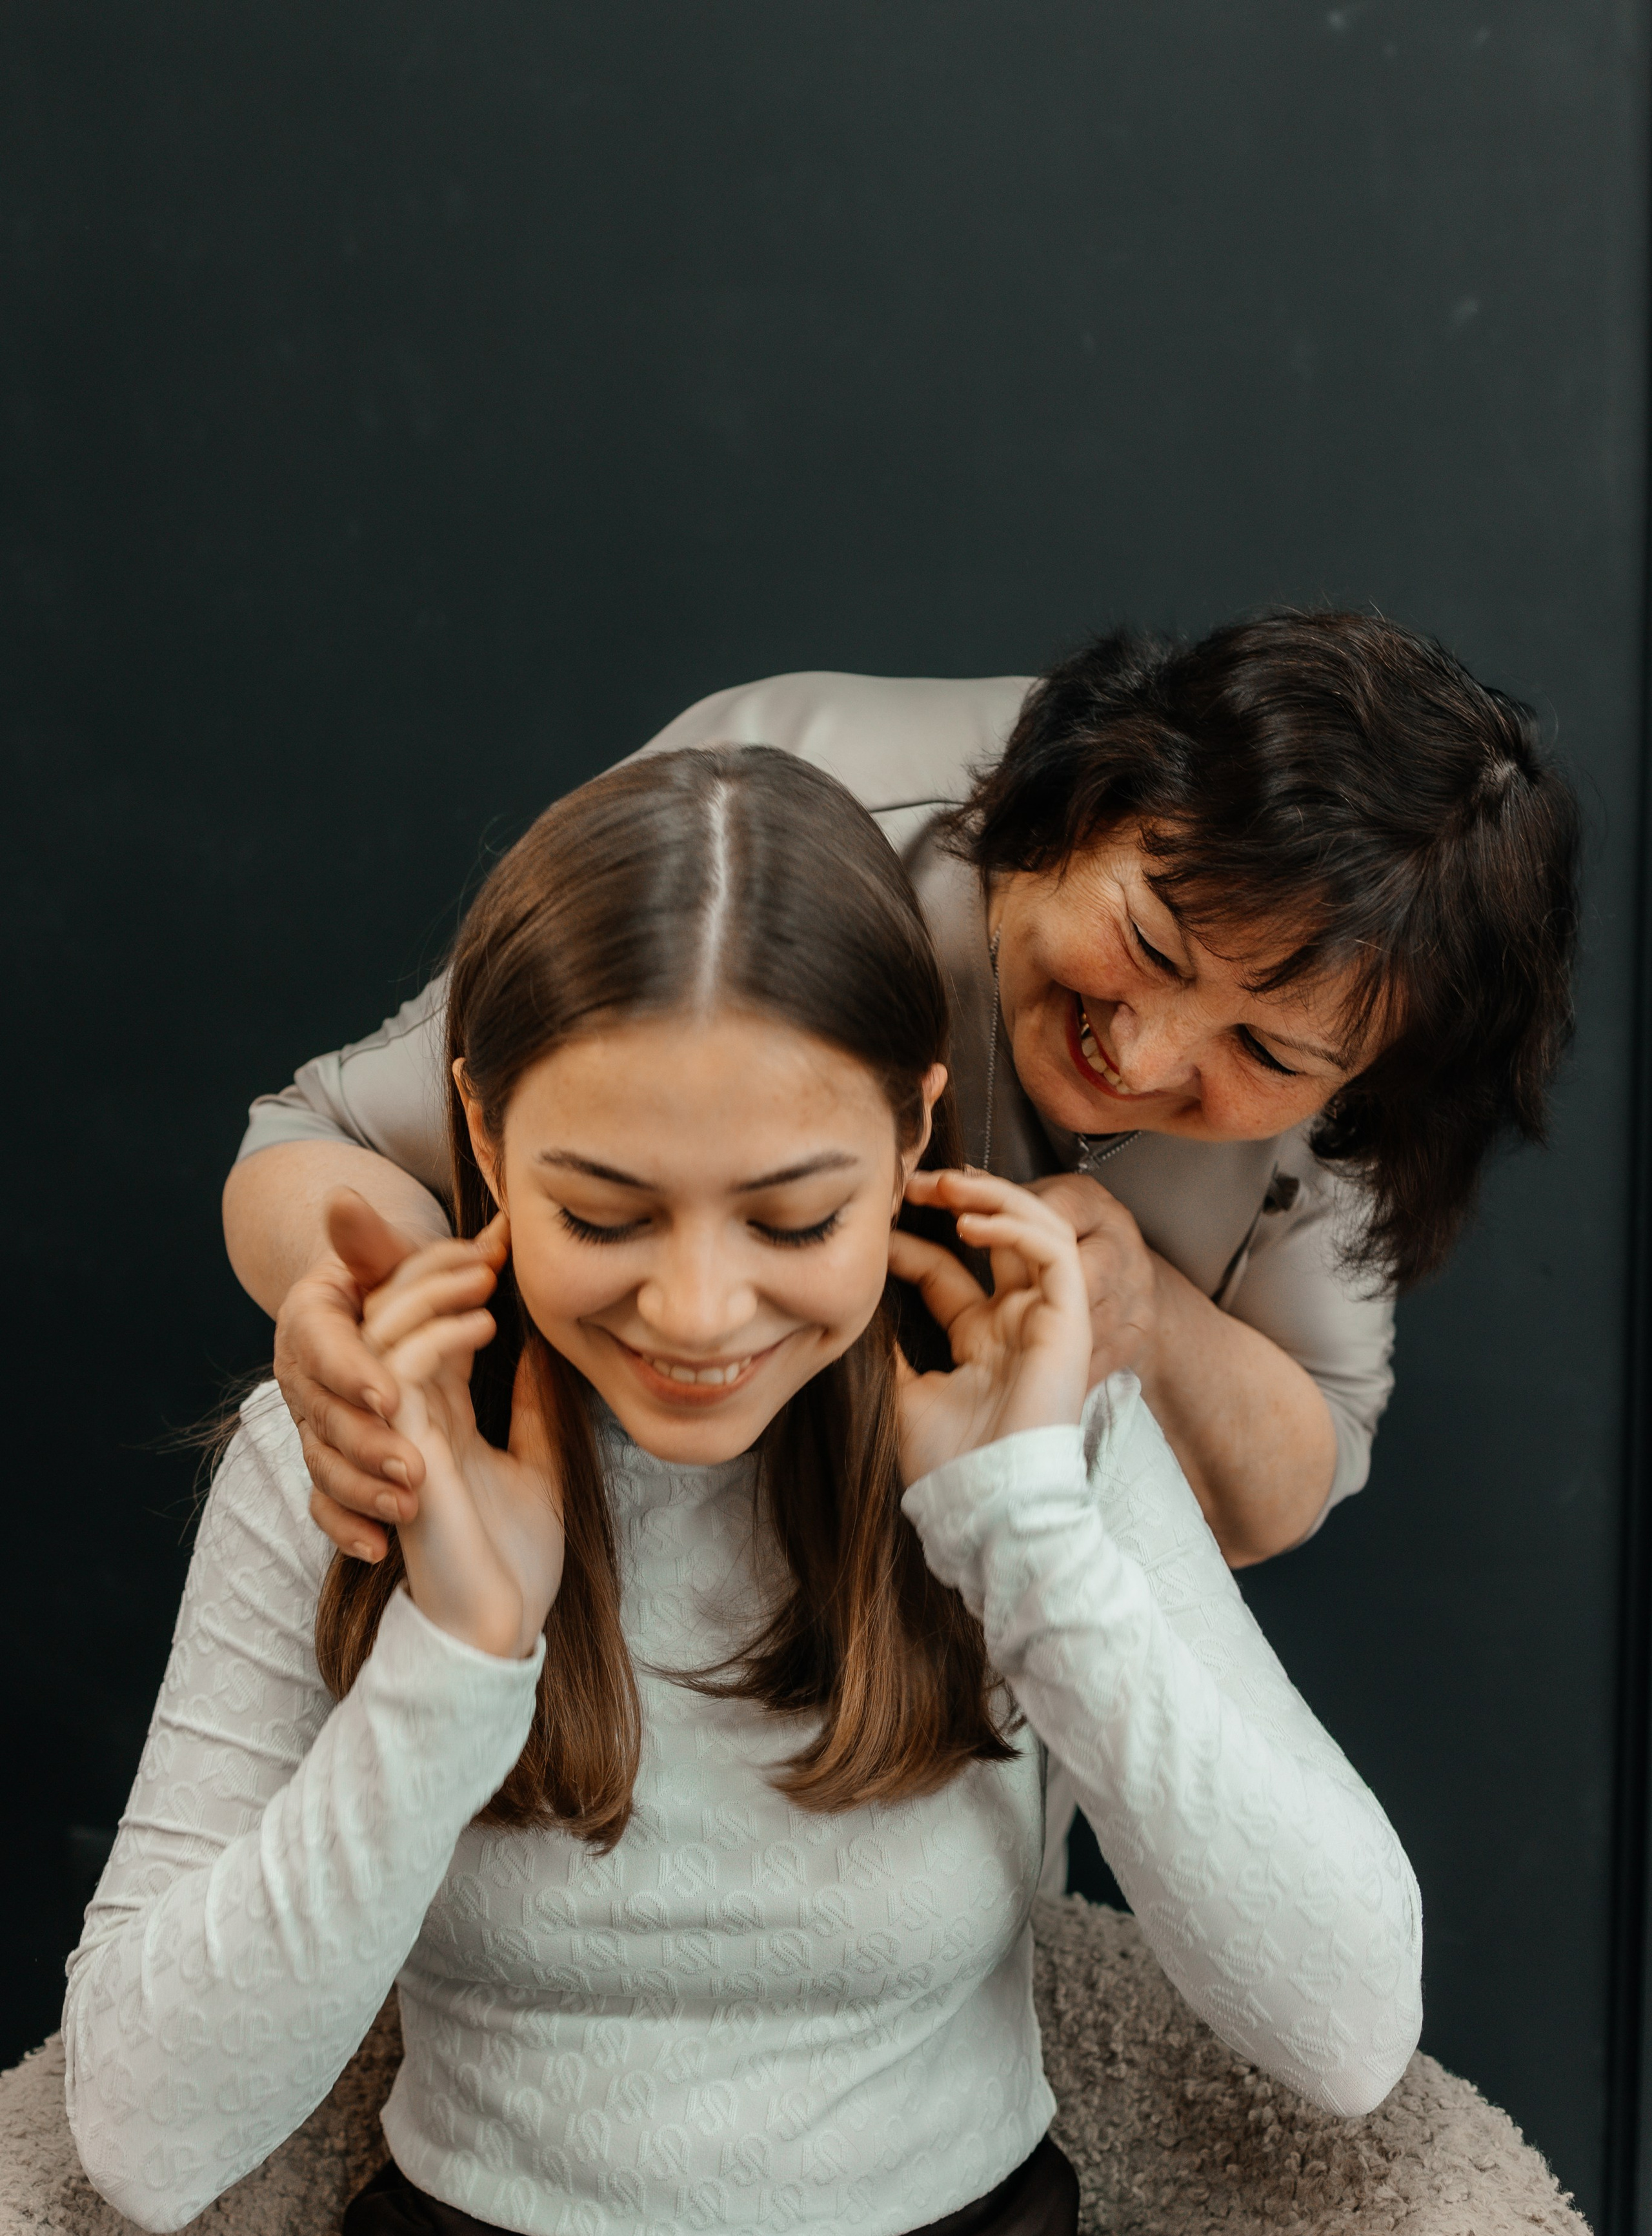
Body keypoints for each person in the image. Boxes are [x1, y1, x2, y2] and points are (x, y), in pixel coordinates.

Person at [66, 747, 1422, 2236]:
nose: (698, 1310)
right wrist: (459, 1653)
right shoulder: (342, 1451)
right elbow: (138, 2136)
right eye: (602, 1211)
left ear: (915, 1125)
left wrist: (1019, 1529)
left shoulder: (1041, 1422)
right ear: (482, 1129)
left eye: (795, 1215)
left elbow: (1351, 2027)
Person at [223, 611, 1580, 1601]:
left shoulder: (1362, 1044)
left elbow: (1293, 1475)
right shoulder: (782, 819)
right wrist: (390, 1339)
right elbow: (310, 1139)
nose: (1144, 1048)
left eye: (1266, 1056)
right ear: (1086, 801)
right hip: (551, 1602)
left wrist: (1146, 1321)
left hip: (945, 1715)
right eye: (1152, 944)